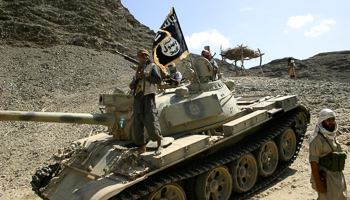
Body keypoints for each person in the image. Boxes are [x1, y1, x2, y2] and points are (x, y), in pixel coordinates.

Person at [129, 49, 163, 155]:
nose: (140, 57)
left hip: (148, 96)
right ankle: (141, 146)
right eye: (139, 55)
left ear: (147, 57)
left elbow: (158, 80)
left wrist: (146, 77)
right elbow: (133, 82)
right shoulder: (138, 69)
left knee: (151, 120)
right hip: (138, 97)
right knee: (137, 122)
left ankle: (159, 144)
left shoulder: (153, 67)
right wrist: (133, 84)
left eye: (143, 55)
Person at [308, 108, 348, 200]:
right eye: (328, 120)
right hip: (327, 178)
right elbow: (313, 162)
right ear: (322, 121)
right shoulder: (317, 139)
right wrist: (318, 182)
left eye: (333, 119)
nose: (332, 122)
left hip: (338, 175)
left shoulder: (332, 135)